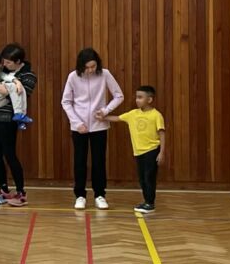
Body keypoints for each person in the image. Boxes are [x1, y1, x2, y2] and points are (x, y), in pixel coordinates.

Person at [61, 48, 125, 210]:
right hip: (79, 127)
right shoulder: (73, 77)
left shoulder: (105, 74)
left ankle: (100, 195)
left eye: (93, 66)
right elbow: (66, 102)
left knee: (99, 161)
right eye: (87, 67)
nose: (90, 70)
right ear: (81, 65)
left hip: (99, 126)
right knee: (80, 161)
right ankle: (80, 195)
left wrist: (105, 111)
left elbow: (119, 96)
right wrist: (76, 123)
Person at [98, 86, 166, 214]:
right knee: (142, 179)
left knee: (149, 178)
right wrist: (103, 117)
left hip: (152, 151)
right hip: (138, 152)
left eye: (140, 97)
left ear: (149, 99)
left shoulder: (156, 115)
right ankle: (146, 201)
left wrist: (162, 152)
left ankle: (150, 203)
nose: (137, 100)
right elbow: (117, 118)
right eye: (137, 97)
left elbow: (162, 133)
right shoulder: (133, 114)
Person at [0, 43, 37, 206]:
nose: (5, 64)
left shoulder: (28, 75)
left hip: (7, 119)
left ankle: (21, 191)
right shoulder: (1, 72)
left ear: (18, 61)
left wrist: (4, 91)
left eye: (8, 62)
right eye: (4, 61)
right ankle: (3, 188)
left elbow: (21, 95)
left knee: (9, 153)